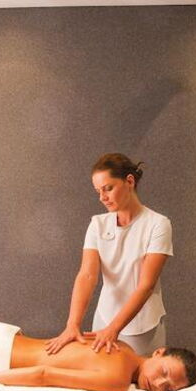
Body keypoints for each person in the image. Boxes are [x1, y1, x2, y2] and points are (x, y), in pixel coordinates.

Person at [47, 153, 173, 357]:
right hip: (104, 319)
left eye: (108, 188)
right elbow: (87, 275)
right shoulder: (98, 224)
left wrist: (114, 329)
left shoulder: (158, 224)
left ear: (129, 181)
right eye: (98, 191)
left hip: (142, 326)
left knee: (139, 376)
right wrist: (73, 324)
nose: (102, 197)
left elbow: (146, 285)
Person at [0, 325, 196, 391]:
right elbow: (44, 374)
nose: (159, 384)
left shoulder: (117, 342)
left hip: (2, 334)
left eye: (169, 388)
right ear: (159, 352)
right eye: (164, 372)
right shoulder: (118, 380)